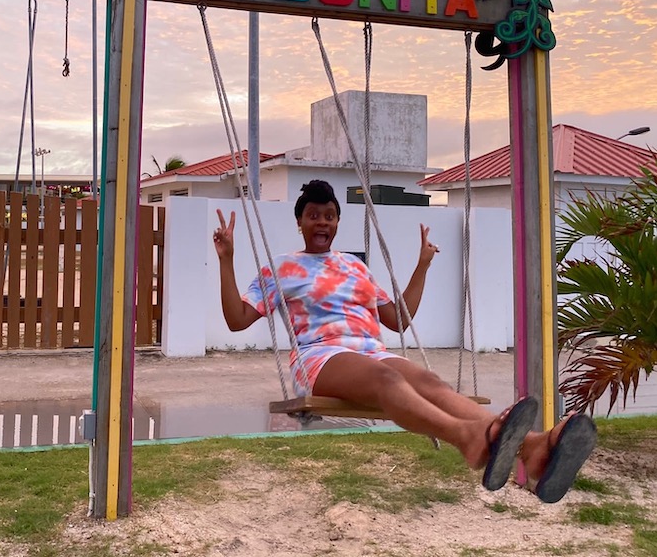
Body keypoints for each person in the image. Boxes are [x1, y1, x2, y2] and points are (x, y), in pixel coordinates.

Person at [213, 179, 596, 502]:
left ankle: (533, 447)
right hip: (320, 357)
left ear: (337, 221)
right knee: (388, 381)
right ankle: (468, 437)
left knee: (430, 381)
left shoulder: (354, 266)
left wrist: (423, 265)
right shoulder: (282, 267)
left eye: (329, 215)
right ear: (300, 221)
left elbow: (397, 319)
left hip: (371, 351)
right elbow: (237, 319)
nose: (322, 222)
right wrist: (227, 260)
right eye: (313, 215)